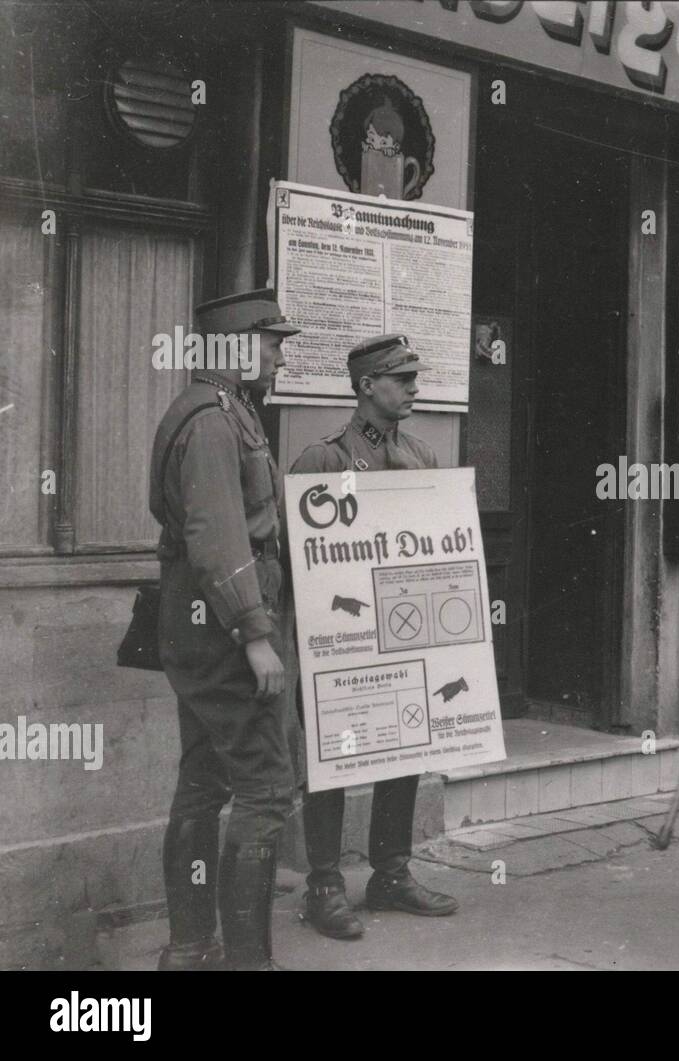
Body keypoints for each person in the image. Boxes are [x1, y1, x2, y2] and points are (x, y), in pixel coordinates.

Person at [290, 334, 459, 940]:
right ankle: (324, 886)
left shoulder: (421, 457)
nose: (414, 387)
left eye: (414, 377)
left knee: (405, 748)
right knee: (331, 763)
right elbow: (298, 562)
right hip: (339, 637)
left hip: (401, 633)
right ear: (366, 387)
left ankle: (390, 874)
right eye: (401, 378)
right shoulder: (323, 461)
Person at [151, 289, 299, 970]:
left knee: (204, 783)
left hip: (196, 624)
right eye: (270, 341)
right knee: (266, 787)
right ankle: (245, 961)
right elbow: (217, 537)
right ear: (237, 344)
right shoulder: (214, 420)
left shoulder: (216, 411)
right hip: (220, 630)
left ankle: (189, 949)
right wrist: (254, 631)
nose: (276, 354)